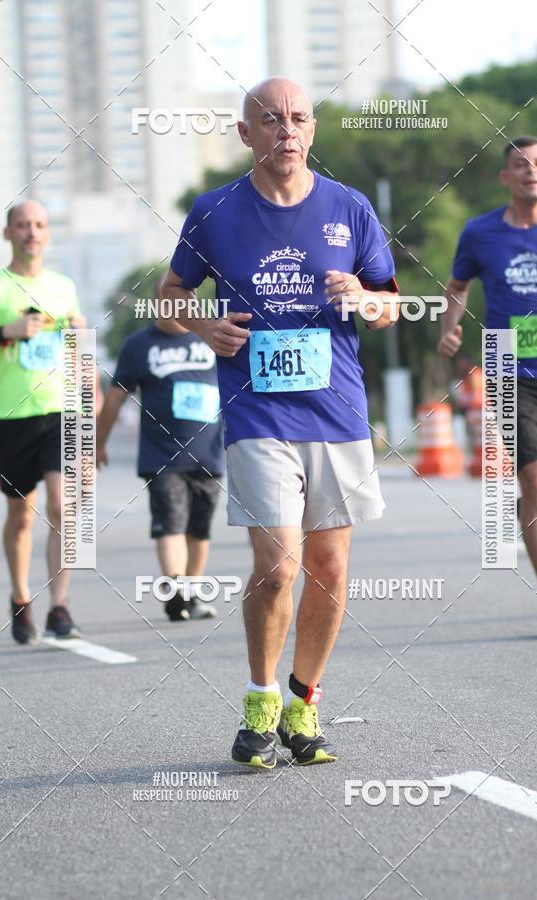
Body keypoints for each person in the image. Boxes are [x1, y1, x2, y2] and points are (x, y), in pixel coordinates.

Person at [162, 76, 400, 768]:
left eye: (298, 118)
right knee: (278, 567)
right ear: (246, 133)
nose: (286, 129)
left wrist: (365, 297)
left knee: (329, 567)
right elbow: (170, 295)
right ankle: (260, 699)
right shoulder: (214, 211)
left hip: (337, 412)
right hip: (257, 411)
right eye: (270, 119)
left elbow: (390, 304)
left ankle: (303, 702)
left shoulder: (350, 208)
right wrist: (204, 326)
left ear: (312, 130)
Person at [439, 136, 537, 638]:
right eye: (520, 165)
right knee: (536, 480)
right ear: (506, 178)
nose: (531, 171)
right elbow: (457, 287)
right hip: (506, 366)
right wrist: (449, 327)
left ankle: (528, 515)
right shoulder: (480, 233)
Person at [96, 276, 223, 621]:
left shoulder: (211, 336)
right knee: (170, 522)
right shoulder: (140, 346)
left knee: (199, 529)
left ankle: (190, 594)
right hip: (163, 456)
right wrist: (99, 442)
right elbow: (115, 397)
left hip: (210, 453)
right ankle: (175, 589)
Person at [0, 201, 86, 643]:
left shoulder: (63, 287)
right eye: (23, 225)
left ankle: (59, 607)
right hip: (12, 413)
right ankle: (20, 597)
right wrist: (4, 334)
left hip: (60, 409)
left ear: (47, 234)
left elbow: (79, 349)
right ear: (8, 233)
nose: (32, 232)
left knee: (62, 507)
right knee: (21, 515)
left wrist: (87, 397)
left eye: (39, 225)